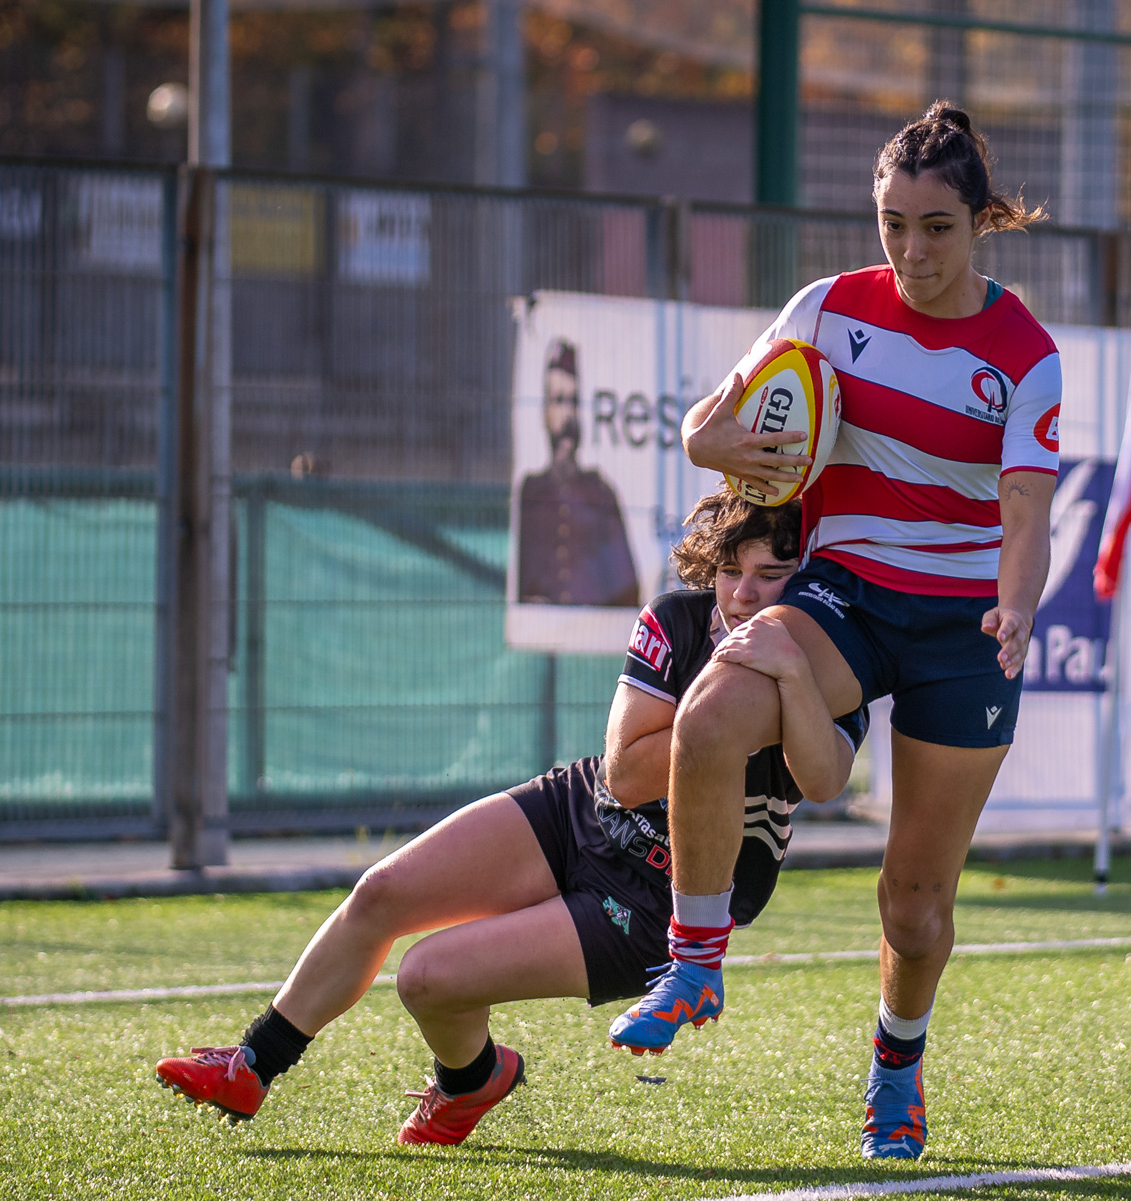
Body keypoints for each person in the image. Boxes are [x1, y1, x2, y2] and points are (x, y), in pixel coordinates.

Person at [605, 102, 1058, 1162]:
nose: (911, 250)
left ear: (980, 222)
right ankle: (695, 962)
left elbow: (1027, 515)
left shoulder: (1023, 352)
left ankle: (897, 1068)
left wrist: (1018, 602)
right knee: (713, 711)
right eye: (893, 223)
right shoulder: (824, 310)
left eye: (936, 227)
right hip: (847, 594)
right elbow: (702, 428)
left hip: (961, 630)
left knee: (914, 903)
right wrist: (751, 453)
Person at [154, 491, 866, 1145]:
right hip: (582, 810)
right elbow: (626, 769)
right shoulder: (677, 617)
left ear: (808, 581)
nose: (743, 593)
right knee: (381, 893)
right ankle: (252, 1065)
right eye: (731, 568)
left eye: (771, 574)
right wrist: (730, 709)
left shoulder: (831, 657)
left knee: (424, 978)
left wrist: (790, 676)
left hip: (656, 897)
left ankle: (471, 1081)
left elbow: (822, 779)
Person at [515, 337, 640, 607]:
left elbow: (628, 589)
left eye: (573, 401)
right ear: (545, 412)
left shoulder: (600, 492)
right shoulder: (531, 491)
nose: (568, 415)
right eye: (559, 401)